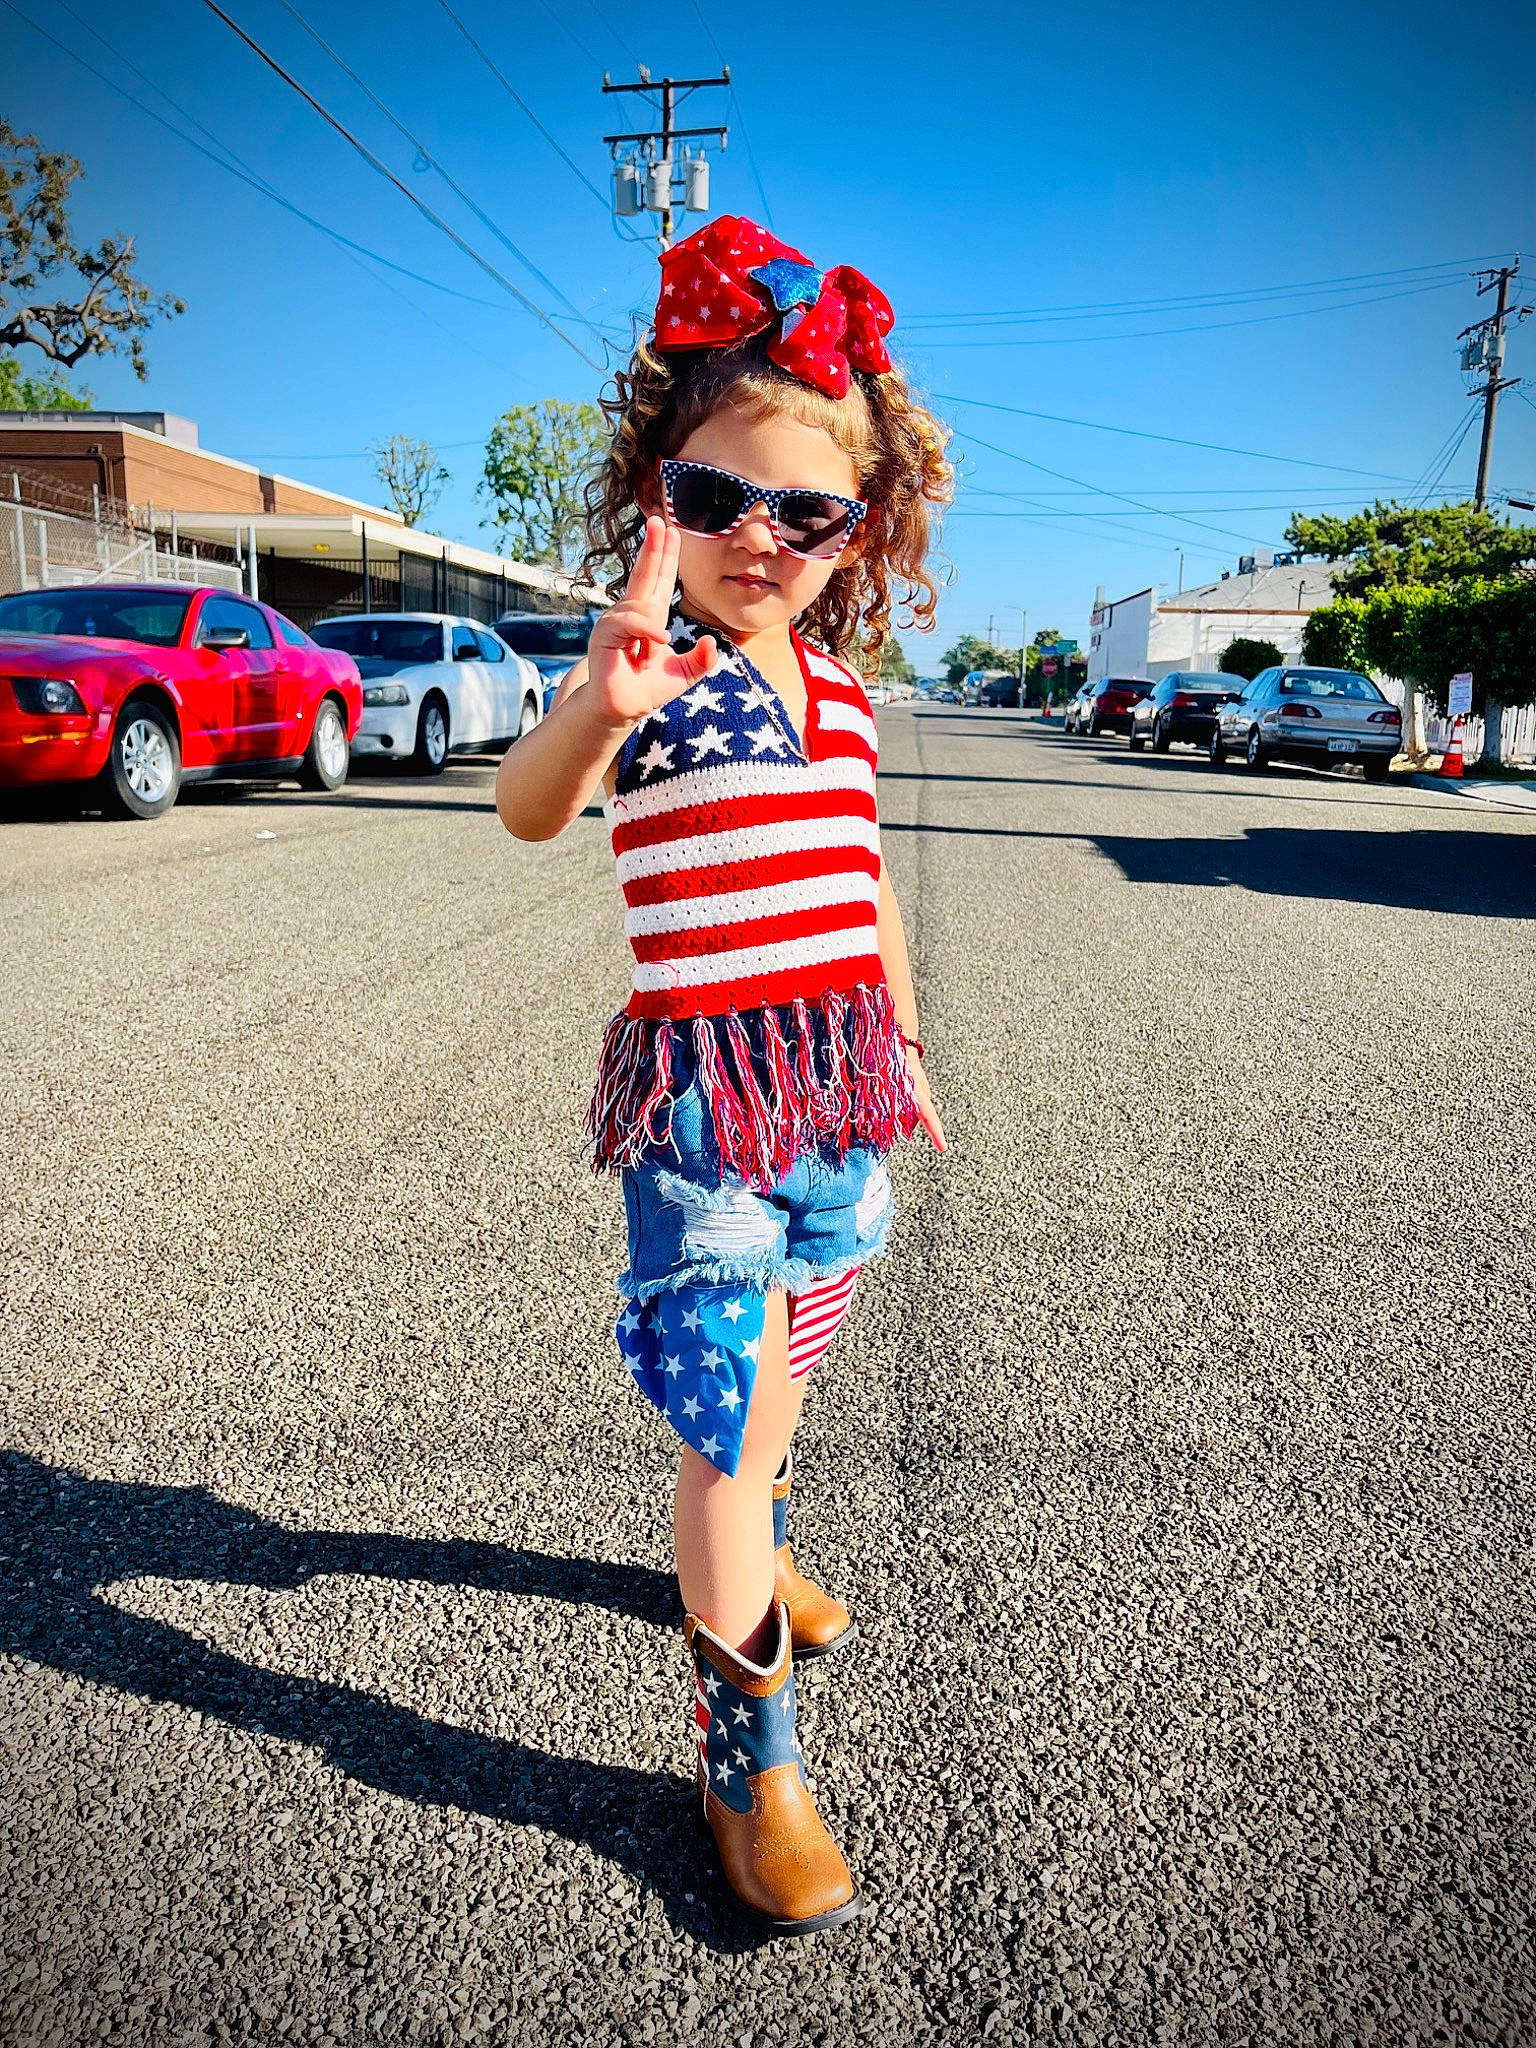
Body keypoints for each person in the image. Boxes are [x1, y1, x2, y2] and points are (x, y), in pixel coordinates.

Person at [496, 215, 950, 1934]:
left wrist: (901, 1033)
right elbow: (529, 810)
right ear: (658, 499)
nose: (757, 538)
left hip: (835, 1092)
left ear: (861, 528)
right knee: (720, 1413)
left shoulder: (840, 694)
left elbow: (865, 879)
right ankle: (746, 1756)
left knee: (802, 1349)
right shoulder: (650, 681)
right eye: (715, 501)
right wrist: (592, 714)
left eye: (805, 511)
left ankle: (755, 1524)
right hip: (703, 1113)